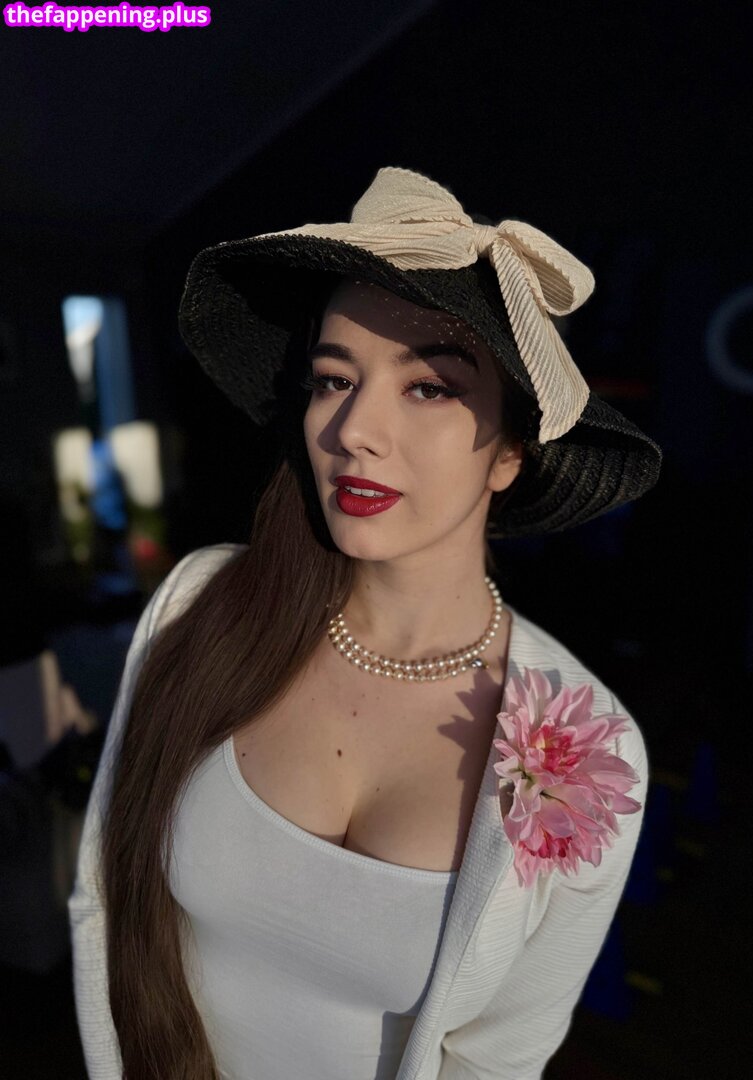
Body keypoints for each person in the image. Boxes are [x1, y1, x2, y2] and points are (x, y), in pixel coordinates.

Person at [68, 166, 662, 1080]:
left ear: (512, 449)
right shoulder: (201, 603)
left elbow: (497, 1059)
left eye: (429, 387)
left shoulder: (588, 747)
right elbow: (103, 904)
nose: (353, 431)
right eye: (332, 379)